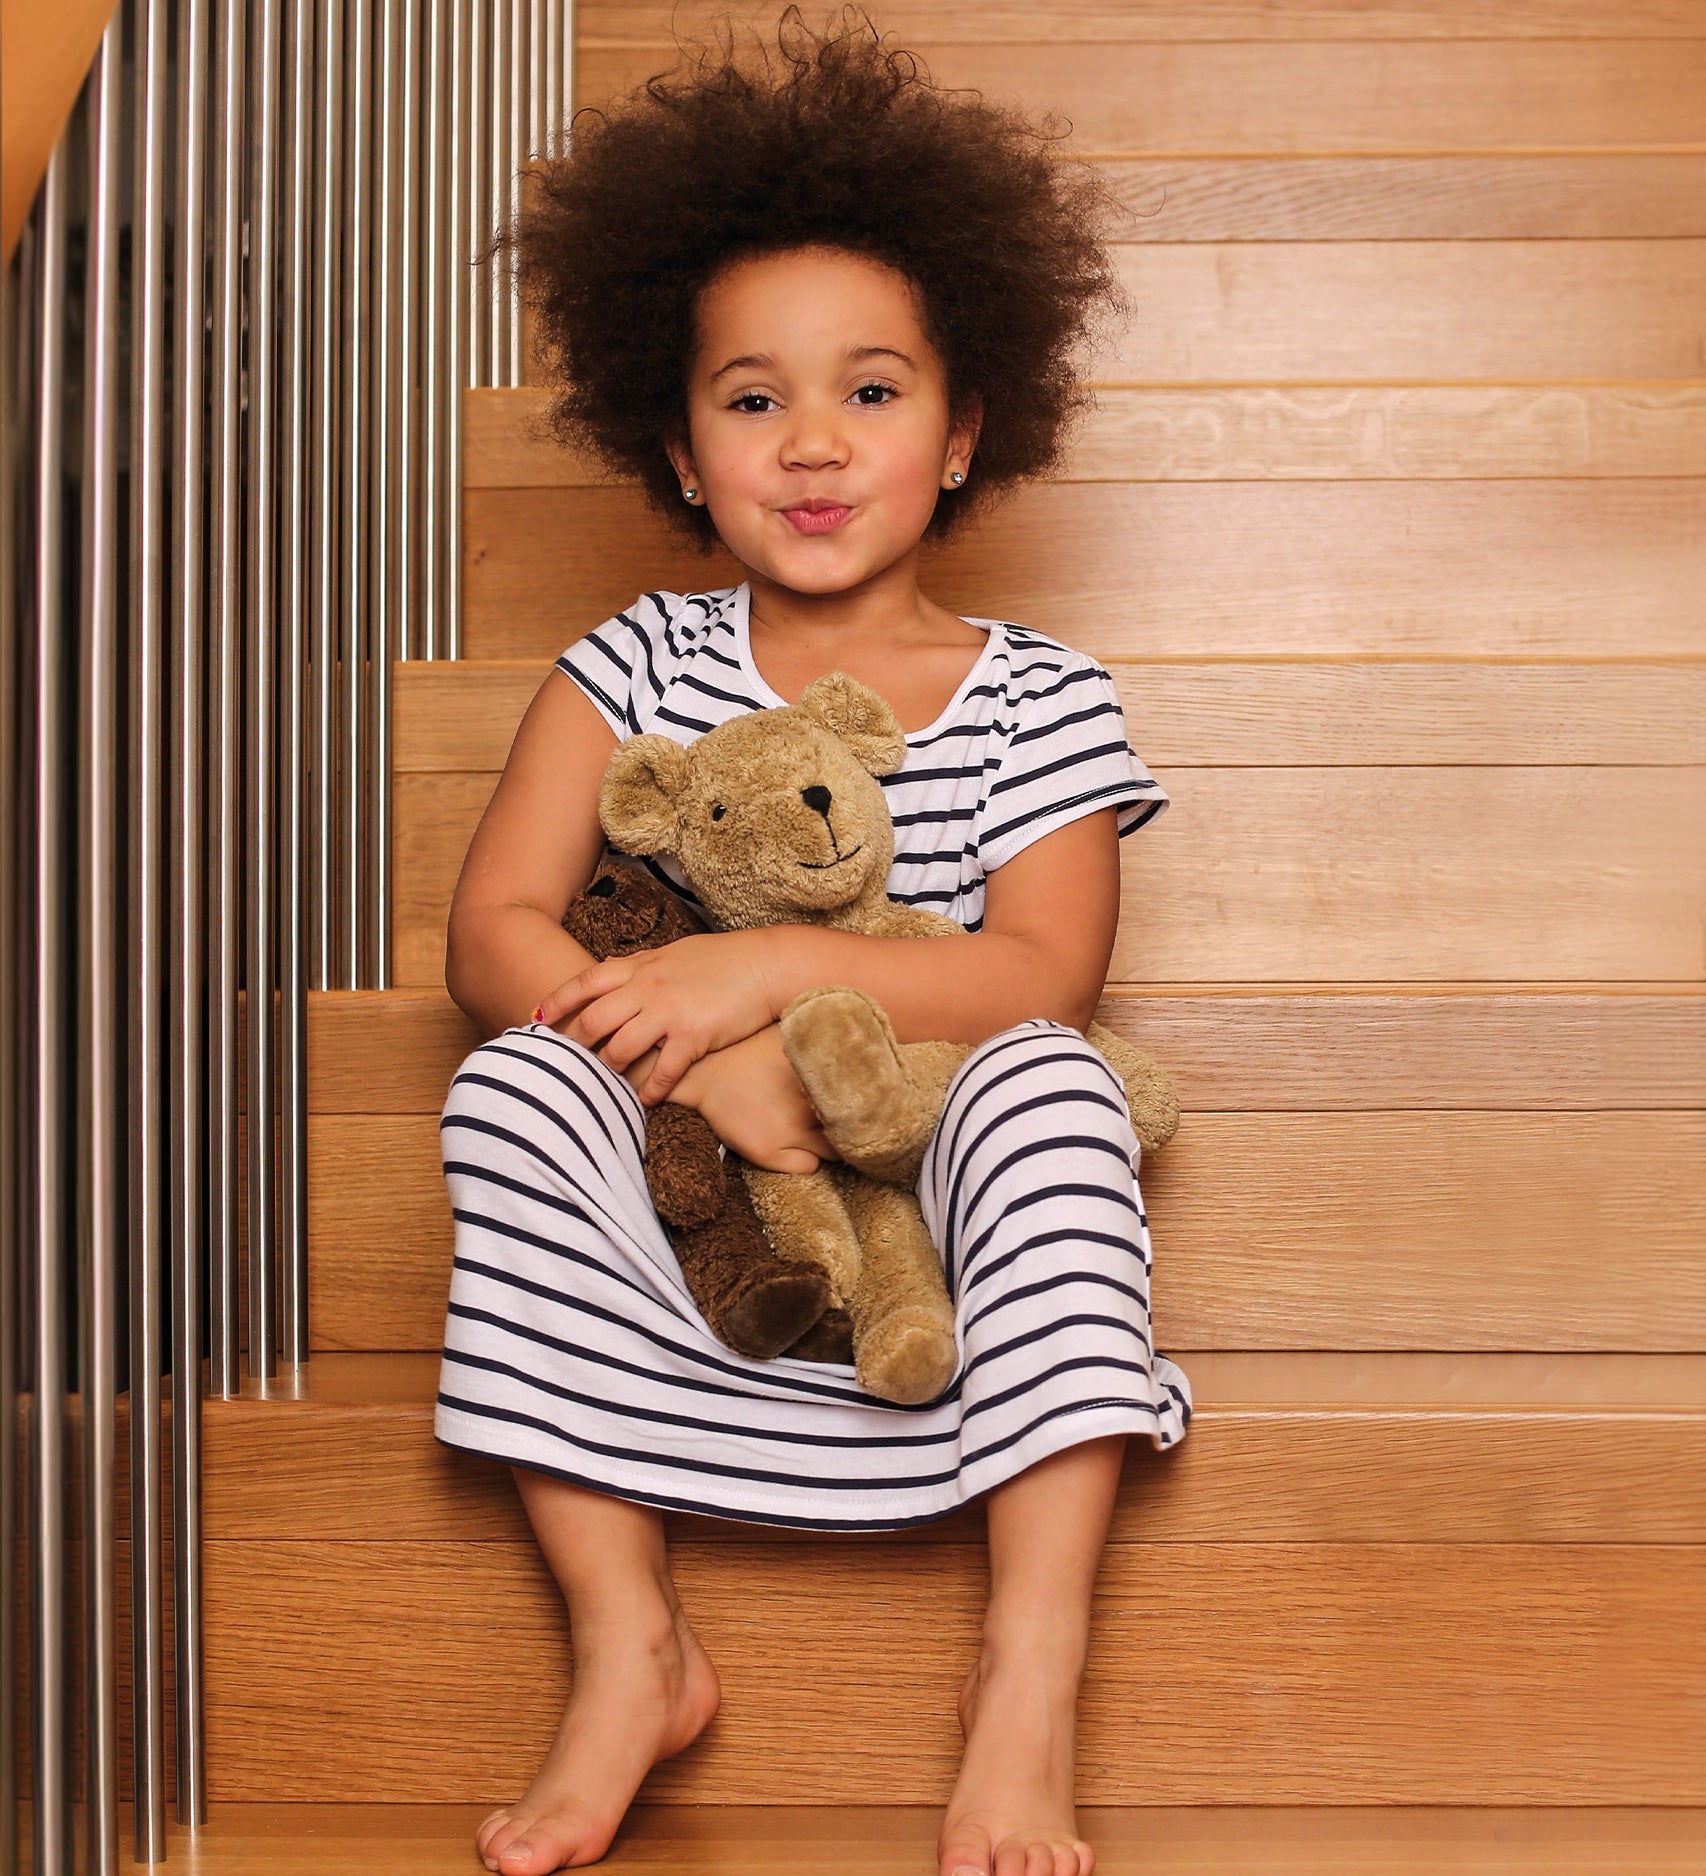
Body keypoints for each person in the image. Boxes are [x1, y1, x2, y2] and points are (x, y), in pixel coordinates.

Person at [435, 11, 1192, 1874]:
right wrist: (693, 1053)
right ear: (679, 449)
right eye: (751, 399)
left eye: (869, 390)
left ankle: (1026, 1670)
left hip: (937, 1194)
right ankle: (635, 1650)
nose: (813, 444)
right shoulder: (633, 662)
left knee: (1053, 1094)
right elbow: (491, 928)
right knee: (516, 1085)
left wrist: (763, 972)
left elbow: (1037, 975)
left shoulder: (1042, 698)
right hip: (718, 1208)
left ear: (963, 431)